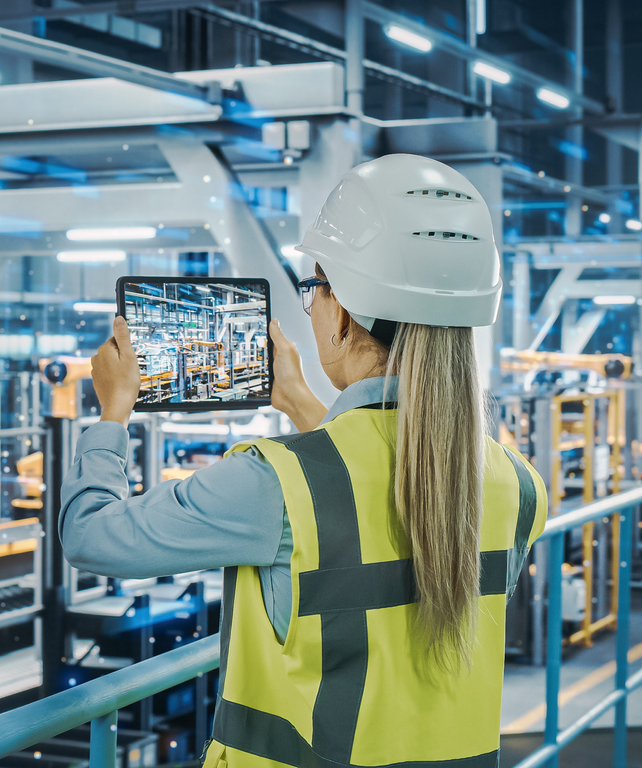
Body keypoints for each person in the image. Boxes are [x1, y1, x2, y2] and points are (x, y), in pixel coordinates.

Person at [61, 154, 547, 767]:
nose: (310, 306)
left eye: (312, 288)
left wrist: (112, 415)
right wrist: (296, 399)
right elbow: (388, 484)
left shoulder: (273, 484)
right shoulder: (519, 487)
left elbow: (92, 537)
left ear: (342, 311)